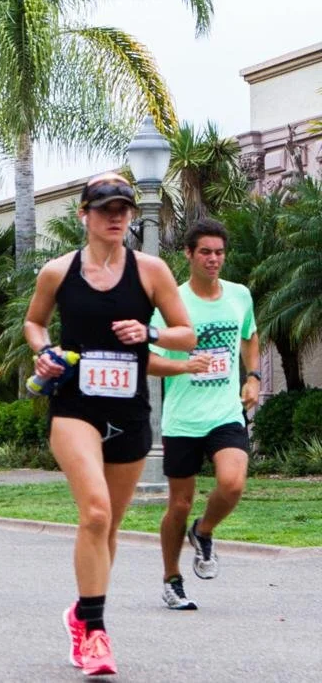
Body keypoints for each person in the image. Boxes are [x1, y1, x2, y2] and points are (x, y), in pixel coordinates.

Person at [24, 174, 195, 676]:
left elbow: (186, 334)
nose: (117, 216)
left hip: (129, 411)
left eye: (122, 208)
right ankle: (95, 633)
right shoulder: (58, 272)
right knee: (95, 514)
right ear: (84, 215)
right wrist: (44, 351)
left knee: (109, 526)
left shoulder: (151, 271)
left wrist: (151, 331)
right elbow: (35, 322)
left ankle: (82, 610)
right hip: (75, 406)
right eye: (105, 209)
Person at [147, 217, 259, 611]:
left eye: (219, 253)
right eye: (206, 253)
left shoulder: (239, 295)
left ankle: (204, 530)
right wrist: (183, 366)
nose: (214, 260)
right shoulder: (171, 304)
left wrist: (254, 376)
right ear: (189, 255)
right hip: (183, 418)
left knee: (232, 484)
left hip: (225, 412)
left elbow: (249, 334)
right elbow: (146, 358)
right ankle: (171, 579)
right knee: (178, 504)